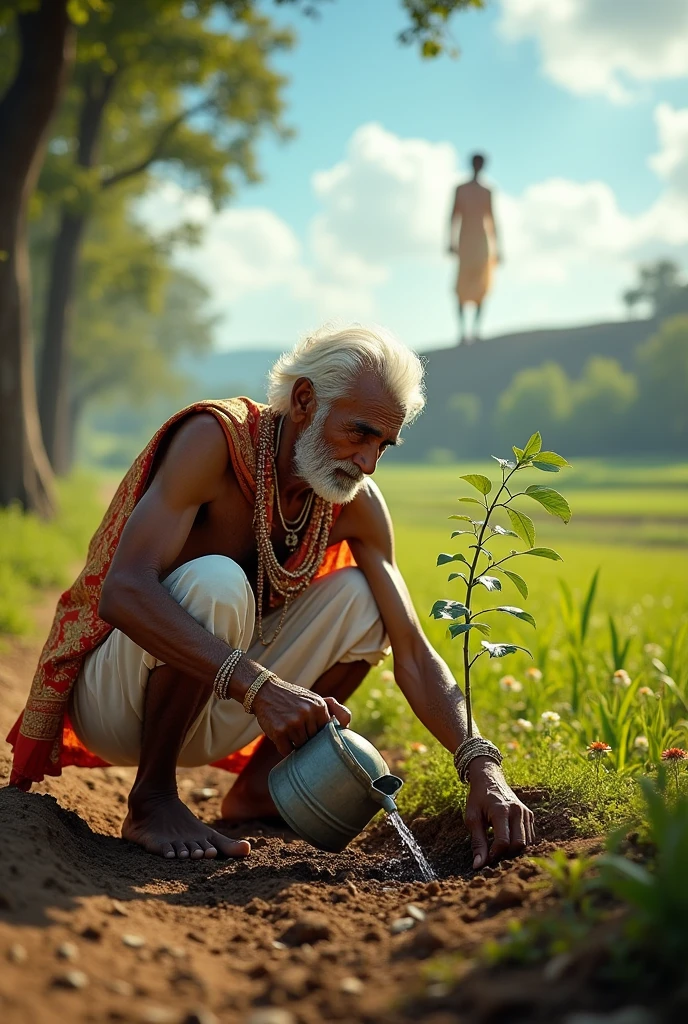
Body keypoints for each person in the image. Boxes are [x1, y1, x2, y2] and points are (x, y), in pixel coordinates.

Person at [8, 324, 533, 868]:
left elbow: (414, 651)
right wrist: (262, 688)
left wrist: (483, 767)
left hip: (219, 703)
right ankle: (152, 798)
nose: (369, 462)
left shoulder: (357, 503)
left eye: (383, 444)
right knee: (218, 581)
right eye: (358, 433)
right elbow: (123, 591)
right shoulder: (214, 441)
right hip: (116, 703)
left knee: (365, 598)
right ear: (304, 400)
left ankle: (260, 790)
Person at [448, 153, 501, 344]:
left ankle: (476, 330)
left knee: (482, 286)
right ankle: (462, 331)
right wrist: (450, 240)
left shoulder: (487, 191)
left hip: (482, 244)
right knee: (461, 288)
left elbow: (493, 219)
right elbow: (453, 216)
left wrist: (498, 247)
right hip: (465, 243)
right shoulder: (460, 189)